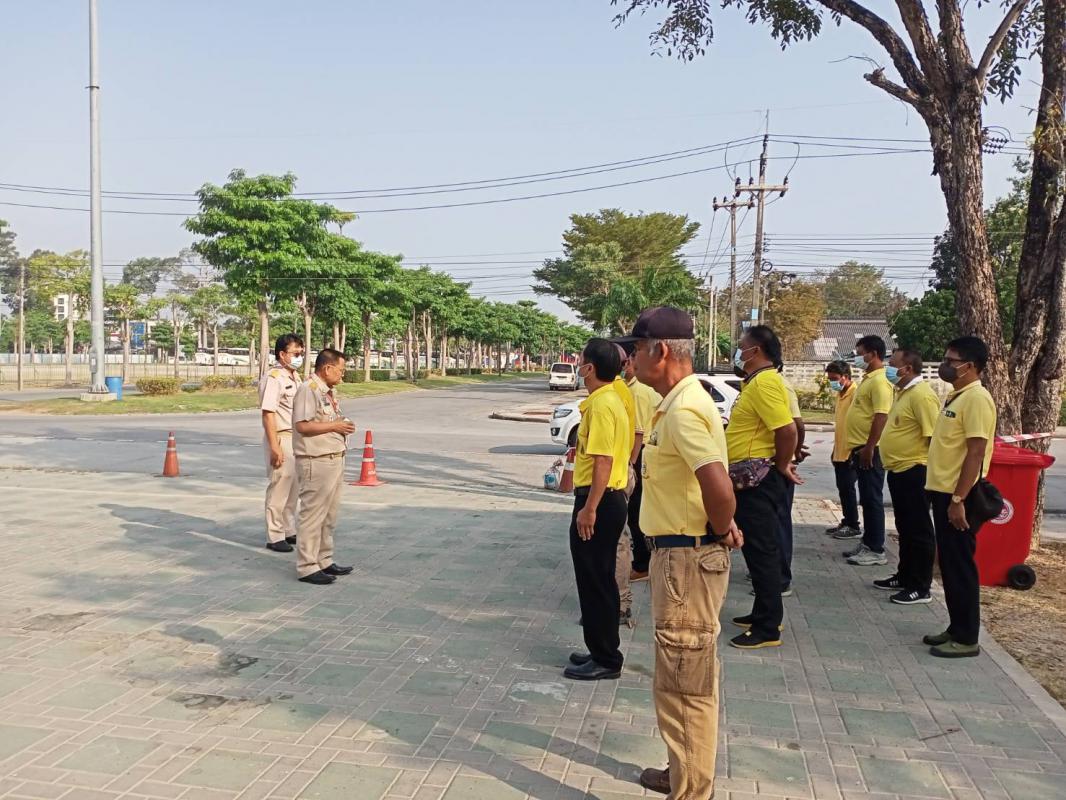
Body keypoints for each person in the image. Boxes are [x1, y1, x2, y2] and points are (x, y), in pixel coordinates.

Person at [619, 306, 741, 800]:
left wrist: (722, 525)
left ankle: (691, 791)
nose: (630, 359)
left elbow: (718, 483)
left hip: (686, 562)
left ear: (661, 350)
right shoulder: (679, 402)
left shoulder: (685, 409)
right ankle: (682, 770)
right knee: (680, 677)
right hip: (682, 556)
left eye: (635, 349)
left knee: (685, 685)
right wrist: (721, 525)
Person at [727, 325, 800, 649]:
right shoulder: (757, 382)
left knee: (762, 551)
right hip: (750, 478)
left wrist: (782, 465)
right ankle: (762, 613)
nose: (738, 351)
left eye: (741, 346)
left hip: (758, 480)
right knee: (757, 552)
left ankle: (768, 626)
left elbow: (787, 430)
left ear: (755, 351)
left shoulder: (765, 382)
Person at [923, 336, 997, 658]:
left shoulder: (977, 399)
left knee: (960, 566)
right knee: (950, 565)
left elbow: (976, 453)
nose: (945, 365)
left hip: (959, 495)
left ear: (970, 366)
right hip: (944, 492)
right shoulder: (958, 397)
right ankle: (955, 627)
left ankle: (967, 638)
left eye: (951, 361)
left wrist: (958, 500)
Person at [564, 338, 631, 681]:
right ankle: (600, 648)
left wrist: (589, 508)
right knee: (597, 577)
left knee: (596, 580)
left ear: (590, 368)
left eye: (580, 361)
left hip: (600, 500)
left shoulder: (603, 405)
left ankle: (606, 657)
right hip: (605, 498)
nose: (578, 367)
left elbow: (603, 460)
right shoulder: (609, 399)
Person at [875, 348, 941, 604]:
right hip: (898, 470)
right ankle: (904, 575)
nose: (888, 369)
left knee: (919, 529)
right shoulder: (903, 392)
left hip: (915, 470)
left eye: (892, 364)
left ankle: (921, 586)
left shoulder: (922, 396)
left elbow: (933, 438)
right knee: (905, 527)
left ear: (908, 368)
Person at [292, 349, 356, 585]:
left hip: (333, 458)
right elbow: (302, 426)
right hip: (316, 460)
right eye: (341, 370)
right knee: (313, 515)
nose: (342, 375)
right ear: (327, 368)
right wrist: (335, 426)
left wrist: (341, 426)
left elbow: (326, 420)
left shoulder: (326, 392)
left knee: (329, 515)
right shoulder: (308, 390)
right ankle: (307, 566)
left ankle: (324, 559)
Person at [837, 335, 893, 566]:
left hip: (871, 449)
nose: (857, 358)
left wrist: (870, 446)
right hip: (860, 447)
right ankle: (869, 542)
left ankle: (876, 548)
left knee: (872, 498)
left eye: (860, 353)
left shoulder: (880, 381)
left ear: (873, 354)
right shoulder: (868, 379)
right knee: (866, 499)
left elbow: (881, 415)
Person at [260, 333, 305, 553]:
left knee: (293, 487)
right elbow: (268, 413)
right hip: (281, 435)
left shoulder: (295, 377)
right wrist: (274, 446)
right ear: (282, 354)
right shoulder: (274, 377)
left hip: (297, 437)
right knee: (280, 486)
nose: (299, 357)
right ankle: (275, 534)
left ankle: (288, 529)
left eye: (301, 353)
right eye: (295, 353)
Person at [621, 345, 662, 584]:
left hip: (640, 453)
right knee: (641, 510)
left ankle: (642, 563)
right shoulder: (644, 389)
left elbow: (637, 432)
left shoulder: (637, 392)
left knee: (635, 513)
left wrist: (631, 465)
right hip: (650, 452)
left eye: (625, 363)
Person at [774, 367, 807, 596]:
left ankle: (780, 578)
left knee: (778, 522)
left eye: (743, 351)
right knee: (771, 524)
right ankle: (771, 572)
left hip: (775, 465)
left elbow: (795, 425)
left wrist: (790, 455)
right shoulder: (757, 382)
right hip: (769, 464)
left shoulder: (775, 384)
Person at [825, 361, 861, 539]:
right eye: (830, 379)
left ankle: (853, 525)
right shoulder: (841, 394)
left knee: (848, 488)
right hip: (840, 449)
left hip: (851, 450)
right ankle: (847, 521)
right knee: (842, 488)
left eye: (834, 379)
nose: (832, 382)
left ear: (845, 377)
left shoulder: (856, 393)